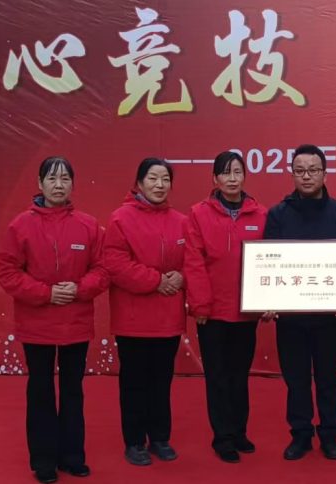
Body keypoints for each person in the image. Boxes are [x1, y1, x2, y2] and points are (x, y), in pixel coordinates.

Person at [0, 156, 108, 484]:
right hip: (37, 324)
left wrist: (79, 288)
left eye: (65, 179)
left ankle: (72, 456)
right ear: (40, 184)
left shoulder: (88, 225)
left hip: (75, 321)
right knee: (41, 390)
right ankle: (43, 460)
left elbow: (103, 269)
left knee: (73, 390)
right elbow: (6, 270)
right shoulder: (21, 225)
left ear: (73, 184)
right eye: (52, 179)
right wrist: (45, 293)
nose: (59, 185)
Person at [264, 144, 336, 461]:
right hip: (290, 318)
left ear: (324, 174)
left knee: (328, 379)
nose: (306, 176)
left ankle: (330, 434)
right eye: (300, 171)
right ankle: (301, 434)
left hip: (329, 316)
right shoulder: (277, 215)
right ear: (292, 174)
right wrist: (267, 299)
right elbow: (267, 262)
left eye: (313, 170)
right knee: (296, 381)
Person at [183, 151, 269, 463]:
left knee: (239, 374)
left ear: (245, 176)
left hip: (246, 311)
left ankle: (239, 431)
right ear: (215, 179)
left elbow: (270, 261)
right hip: (212, 313)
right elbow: (193, 262)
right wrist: (201, 305)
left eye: (237, 172)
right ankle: (222, 437)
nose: (232, 179)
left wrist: (266, 301)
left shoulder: (260, 214)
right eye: (225, 173)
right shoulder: (198, 214)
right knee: (218, 376)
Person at [103, 158, 188, 468]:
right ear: (139, 183)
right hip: (133, 319)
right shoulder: (120, 219)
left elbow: (192, 259)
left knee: (162, 380)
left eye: (165, 179)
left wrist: (182, 277)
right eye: (152, 178)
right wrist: (156, 281)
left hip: (168, 318)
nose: (159, 185)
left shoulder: (181, 221)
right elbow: (115, 264)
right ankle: (135, 441)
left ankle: (160, 438)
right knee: (135, 382)